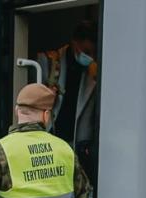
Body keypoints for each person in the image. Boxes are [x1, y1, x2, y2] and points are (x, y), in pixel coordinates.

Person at [37, 21, 98, 174]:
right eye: (86, 51)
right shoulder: (48, 62)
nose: (89, 57)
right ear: (74, 42)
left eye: (93, 53)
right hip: (50, 138)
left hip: (76, 143)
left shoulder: (93, 73)